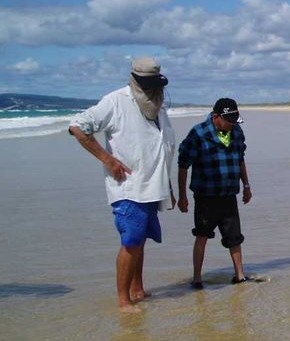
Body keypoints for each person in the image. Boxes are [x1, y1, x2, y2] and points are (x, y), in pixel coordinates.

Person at [69, 57, 176, 313]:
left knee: (140, 240)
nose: (155, 88)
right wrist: (108, 159)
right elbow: (77, 127)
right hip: (128, 187)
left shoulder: (157, 106)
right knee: (131, 241)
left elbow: (161, 148)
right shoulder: (116, 100)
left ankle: (138, 289)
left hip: (152, 186)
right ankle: (123, 300)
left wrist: (168, 186)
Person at [177, 98, 253, 288]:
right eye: (229, 120)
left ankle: (240, 275)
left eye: (235, 120)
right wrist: (183, 196)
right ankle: (197, 278)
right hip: (205, 197)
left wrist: (246, 185)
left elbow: (241, 158)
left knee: (235, 237)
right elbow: (183, 165)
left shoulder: (236, 132)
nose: (232, 124)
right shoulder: (198, 133)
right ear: (216, 117)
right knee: (202, 235)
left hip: (229, 195)